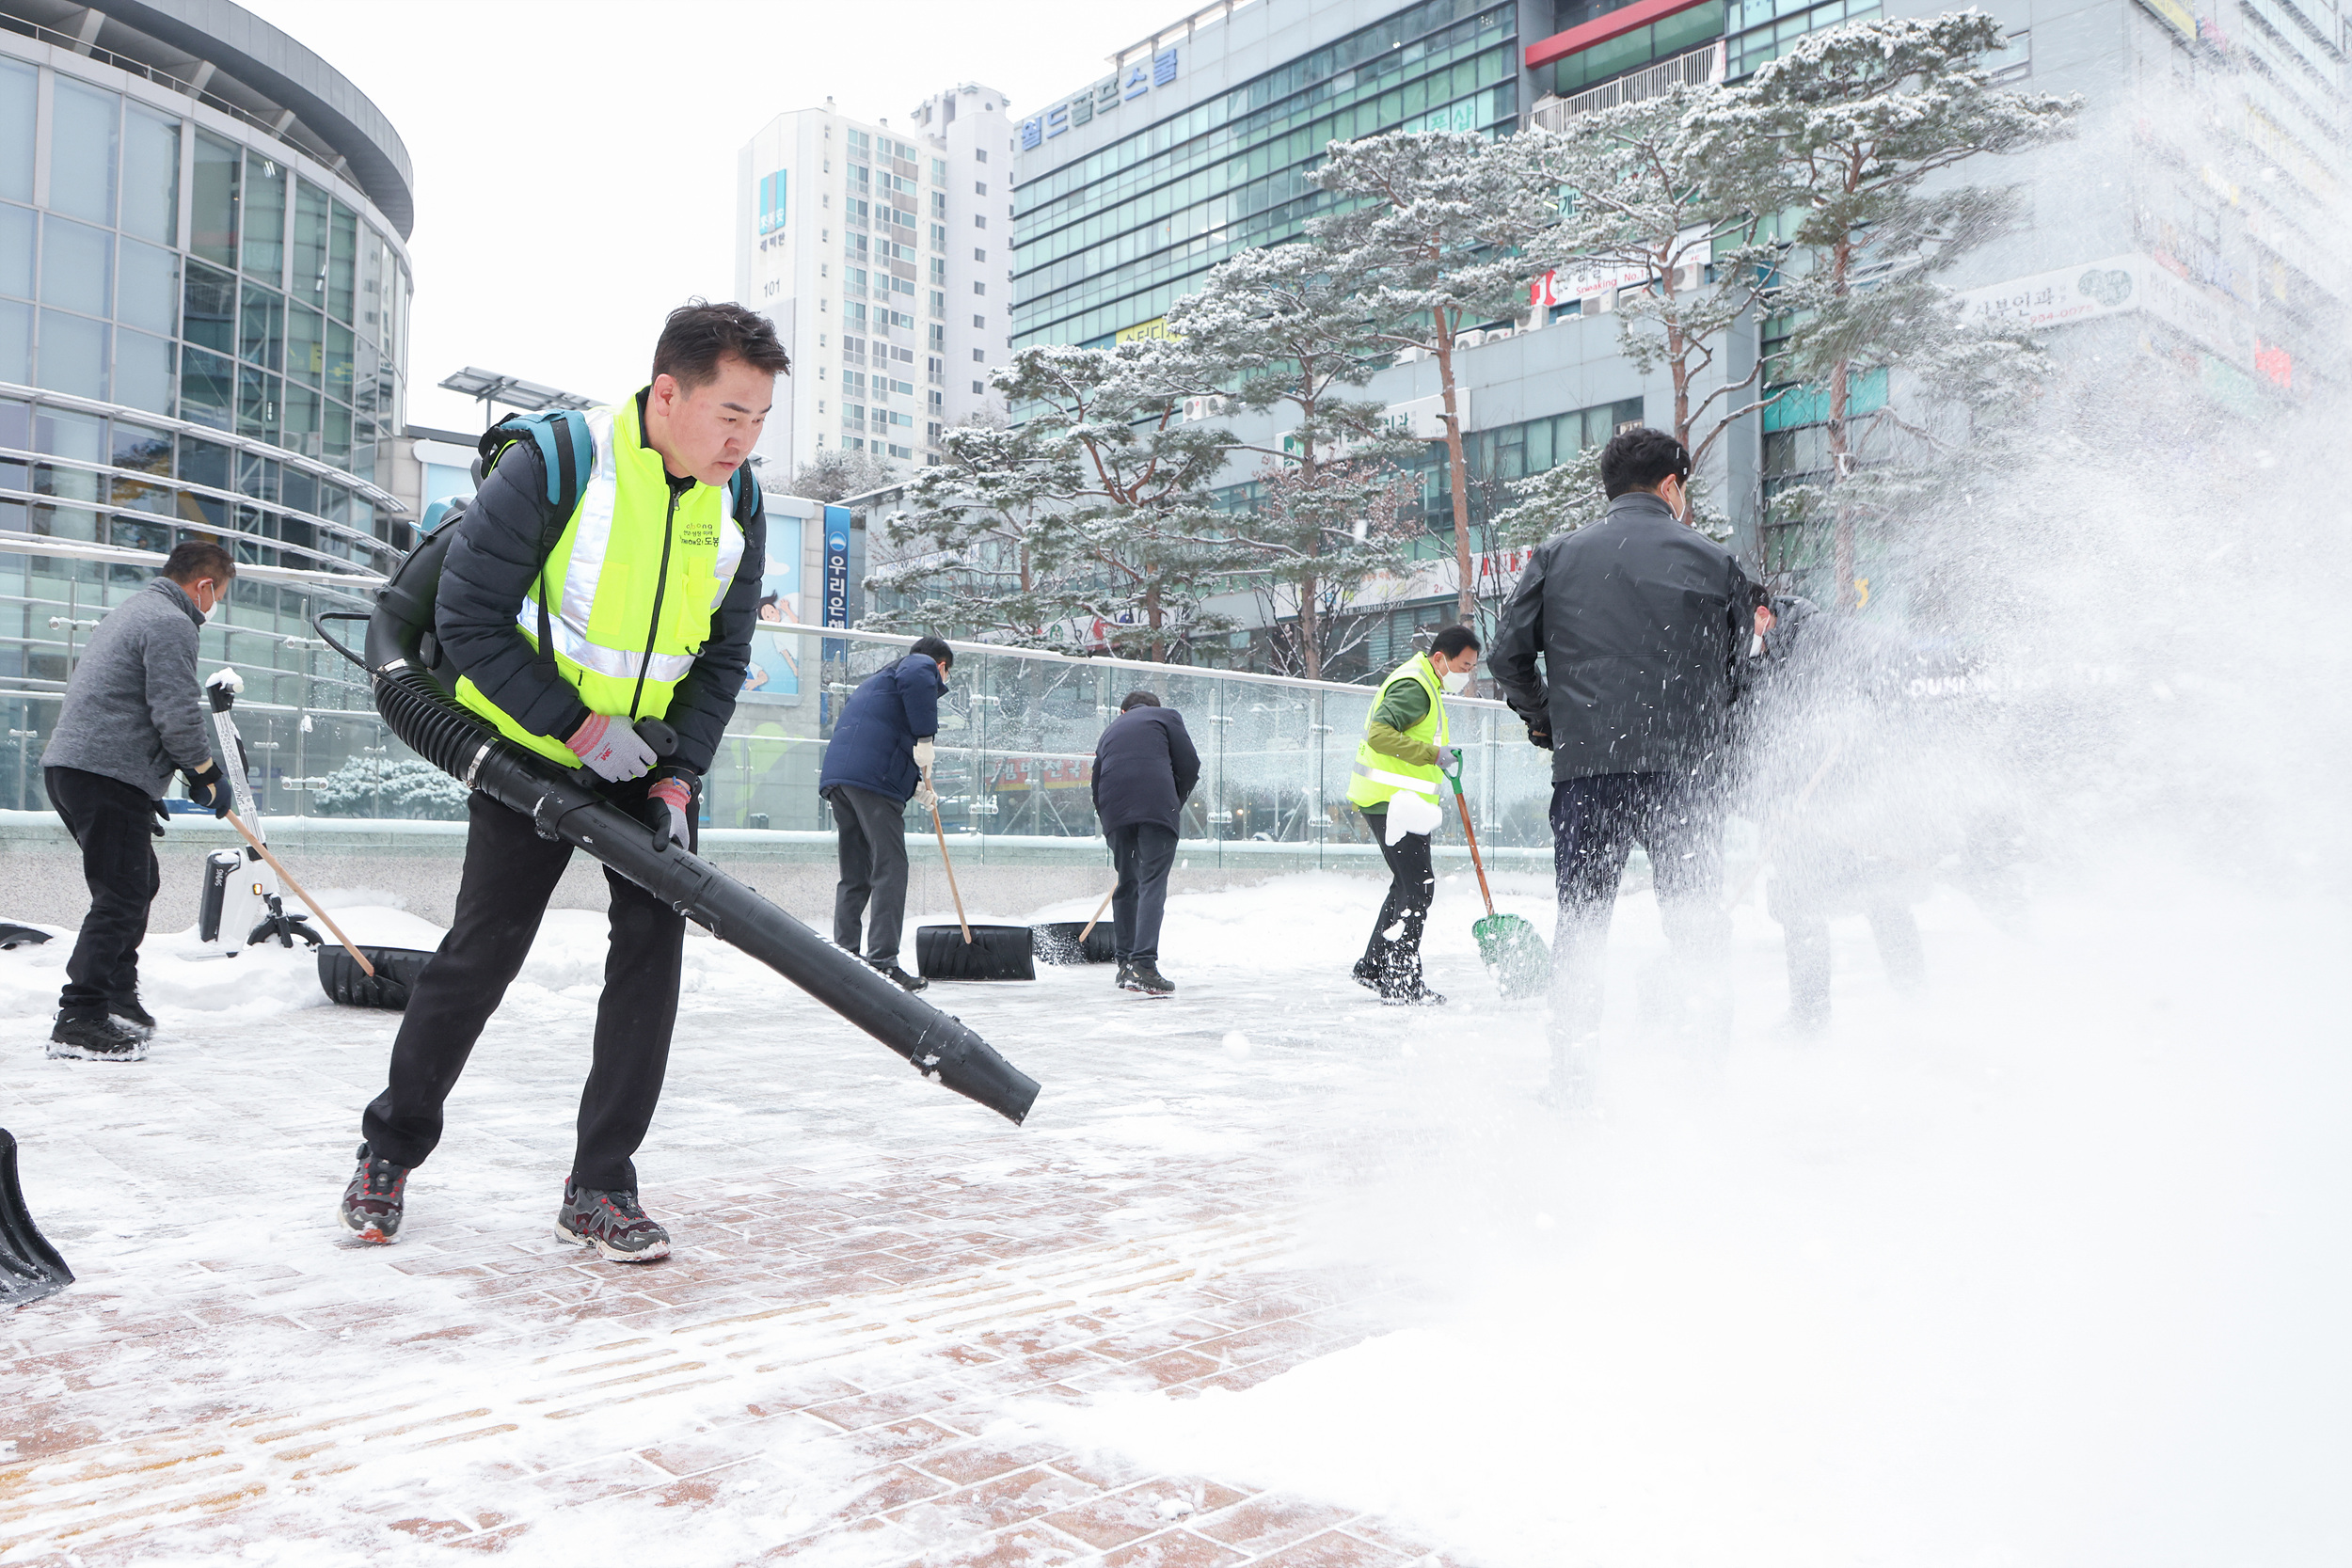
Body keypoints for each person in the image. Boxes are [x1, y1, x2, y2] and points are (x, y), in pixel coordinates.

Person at [341, 302, 783, 1261]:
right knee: (479, 956)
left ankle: (600, 1185)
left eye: (760, 420)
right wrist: (575, 727)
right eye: (731, 415)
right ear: (669, 393)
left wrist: (676, 776)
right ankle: (391, 1147)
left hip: (646, 766)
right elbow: (466, 619)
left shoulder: (734, 500)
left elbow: (724, 656)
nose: (745, 440)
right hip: (531, 751)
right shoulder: (558, 463)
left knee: (649, 966)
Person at [1490, 427, 1766, 1069]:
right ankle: (1704, 1070)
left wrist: (1547, 719)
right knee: (1696, 924)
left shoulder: (1557, 556)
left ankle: (1573, 1074)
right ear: (1671, 486)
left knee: (1583, 926)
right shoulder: (1715, 562)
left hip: (1589, 772)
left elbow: (1507, 656)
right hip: (1685, 777)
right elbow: (1741, 675)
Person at [39, 541, 236, 1061]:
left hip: (79, 769)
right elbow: (174, 710)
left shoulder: (132, 610)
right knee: (120, 895)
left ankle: (118, 999)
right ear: (205, 586)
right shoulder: (172, 622)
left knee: (134, 882)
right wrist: (204, 771)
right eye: (220, 597)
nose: (214, 608)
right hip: (106, 772)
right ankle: (80, 1017)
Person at [1743, 594, 1927, 1031]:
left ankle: (1915, 1002)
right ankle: (1809, 1015)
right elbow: (1763, 731)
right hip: (1802, 804)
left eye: (1751, 635)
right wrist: (1771, 797)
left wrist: (1864, 716)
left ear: (1763, 616)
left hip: (1856, 798)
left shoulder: (1821, 632)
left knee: (1882, 893)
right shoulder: (1770, 654)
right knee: (1799, 899)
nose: (1752, 648)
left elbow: (1891, 662)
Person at [1345, 625, 1483, 1005]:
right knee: (1419, 887)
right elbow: (1380, 735)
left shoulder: (1426, 683)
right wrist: (1432, 755)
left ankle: (1374, 967)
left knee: (1406, 885)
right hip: (1393, 802)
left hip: (1398, 802)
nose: (1467, 674)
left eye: (1472, 667)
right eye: (1464, 666)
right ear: (1440, 658)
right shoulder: (1415, 686)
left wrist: (1438, 754)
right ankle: (1401, 980)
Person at [819, 635, 953, 992]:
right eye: (946, 673)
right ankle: (883, 961)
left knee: (856, 872)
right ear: (940, 665)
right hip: (871, 782)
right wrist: (926, 738)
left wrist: (916, 789)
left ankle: (843, 958)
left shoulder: (877, 683)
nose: (943, 680)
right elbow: (919, 677)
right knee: (891, 867)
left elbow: (880, 740)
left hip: (842, 781)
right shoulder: (918, 664)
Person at [1089, 690, 1200, 996]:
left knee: (1128, 883)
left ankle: (1125, 964)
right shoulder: (1167, 717)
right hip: (1155, 808)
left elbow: (1096, 781)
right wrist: (1171, 804)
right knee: (1152, 882)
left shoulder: (1110, 730)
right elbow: (1190, 765)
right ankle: (1144, 965)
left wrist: (1112, 820)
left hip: (1114, 811)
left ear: (1124, 711)